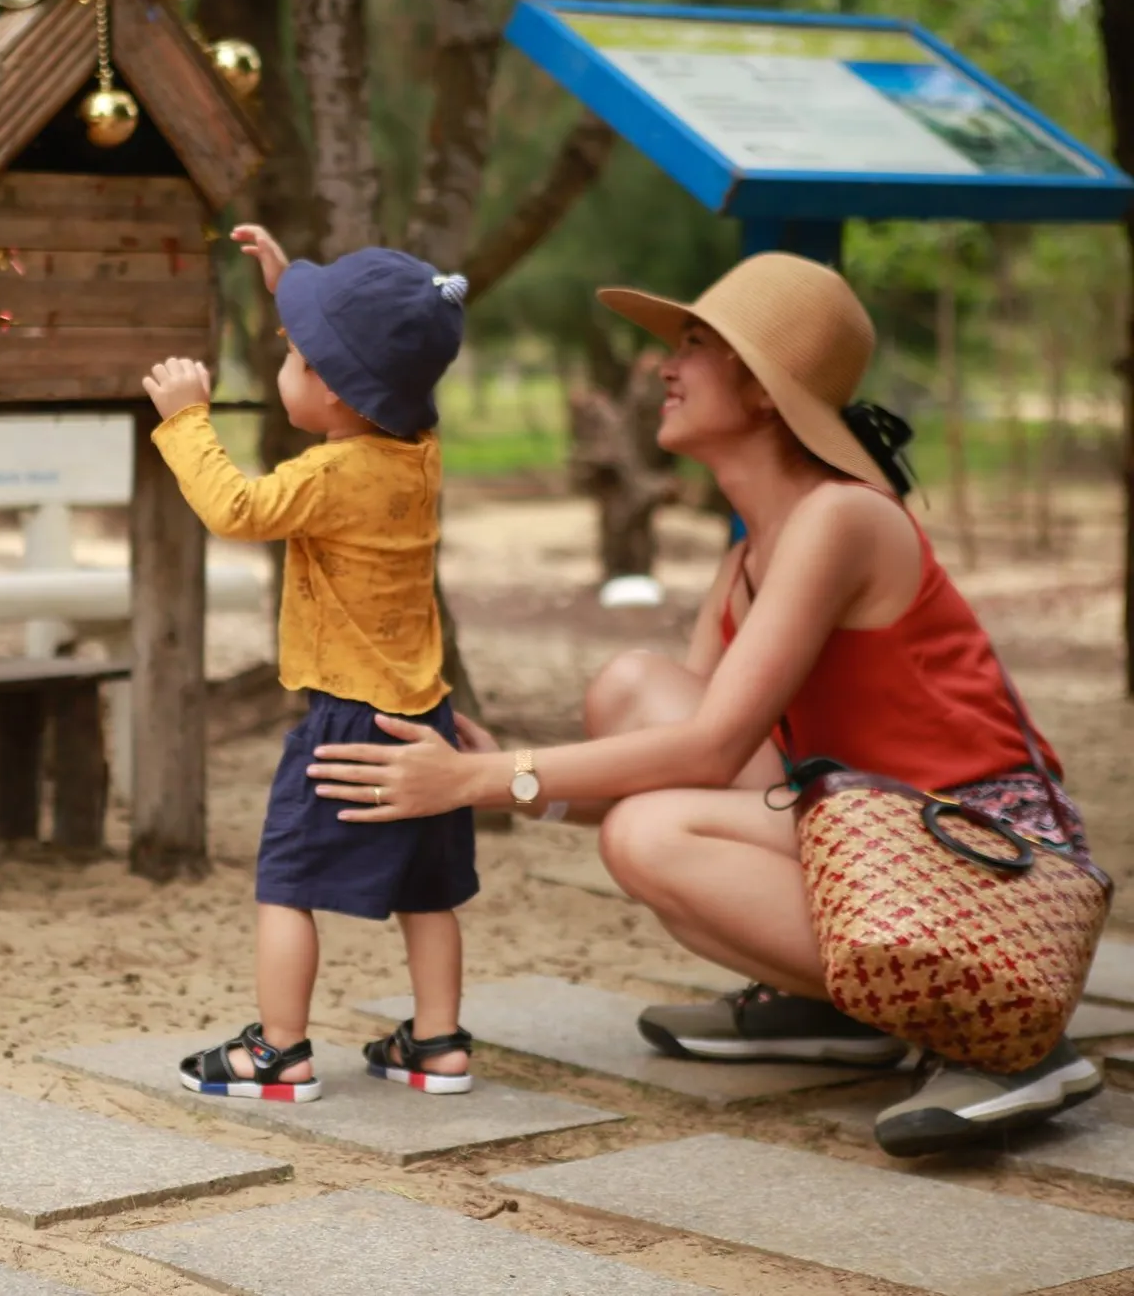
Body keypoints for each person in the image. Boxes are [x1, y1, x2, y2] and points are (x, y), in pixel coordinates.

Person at [303, 252, 1105, 1155]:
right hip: (877, 838)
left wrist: (481, 778)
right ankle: (851, 1008)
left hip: (992, 869)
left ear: (763, 390)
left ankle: (1014, 1047)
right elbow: (686, 756)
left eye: (693, 345)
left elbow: (711, 755)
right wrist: (496, 775)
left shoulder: (842, 518)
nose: (662, 367)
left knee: (649, 835)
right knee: (631, 691)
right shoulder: (752, 554)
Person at [140, 226, 476, 1103]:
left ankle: (279, 1052)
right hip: (424, 718)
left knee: (285, 883)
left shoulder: (331, 474)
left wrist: (186, 422)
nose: (285, 362)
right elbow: (368, 358)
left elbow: (237, 506)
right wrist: (291, 287)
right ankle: (437, 1042)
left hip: (347, 721)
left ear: (334, 389)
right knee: (428, 890)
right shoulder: (418, 448)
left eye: (295, 356)